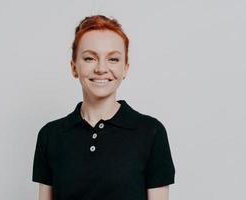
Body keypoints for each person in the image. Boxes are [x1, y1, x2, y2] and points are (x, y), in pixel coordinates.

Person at [32, 15, 175, 200]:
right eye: (90, 58)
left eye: (113, 59)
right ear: (74, 67)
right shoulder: (50, 135)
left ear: (125, 68)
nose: (101, 68)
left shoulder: (151, 132)